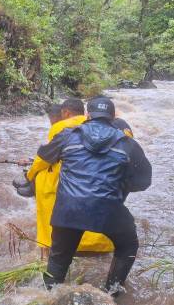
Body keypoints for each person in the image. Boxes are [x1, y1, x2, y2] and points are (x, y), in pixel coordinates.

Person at [37, 97, 151, 296]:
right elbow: (143, 181)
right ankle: (111, 293)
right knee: (128, 245)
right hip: (108, 209)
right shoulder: (128, 143)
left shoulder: (67, 135)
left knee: (59, 256)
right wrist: (119, 185)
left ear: (87, 115)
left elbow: (45, 156)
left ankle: (49, 296)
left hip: (68, 209)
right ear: (113, 117)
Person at [21, 98, 115, 253]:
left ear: (65, 112)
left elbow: (45, 158)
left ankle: (49, 248)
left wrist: (30, 176)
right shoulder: (112, 130)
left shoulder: (61, 128)